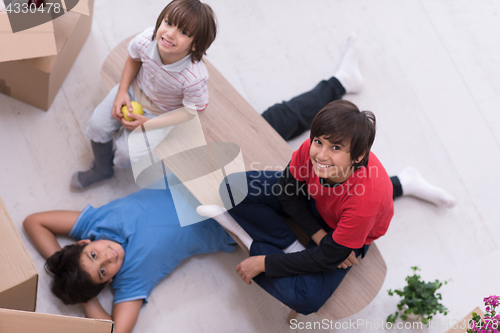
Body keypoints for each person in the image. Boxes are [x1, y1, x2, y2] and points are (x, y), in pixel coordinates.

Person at [197, 100, 456, 315]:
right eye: (318, 141)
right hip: (317, 206)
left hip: (346, 230)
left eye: (335, 148)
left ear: (357, 156)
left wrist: (266, 263)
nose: (321, 154)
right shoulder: (311, 152)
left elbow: (327, 257)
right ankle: (290, 247)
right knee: (231, 188)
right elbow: (287, 194)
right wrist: (319, 237)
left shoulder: (364, 203)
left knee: (306, 300)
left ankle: (250, 240)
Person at [24, 176, 235, 333]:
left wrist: (61, 262)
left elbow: (34, 222)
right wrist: (86, 297)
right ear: (108, 282)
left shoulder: (95, 224)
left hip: (193, 173)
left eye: (93, 255)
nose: (109, 256)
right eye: (103, 271)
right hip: (233, 217)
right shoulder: (131, 279)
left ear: (84, 242)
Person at [71, 0, 217, 188]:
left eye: (183, 32)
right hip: (134, 90)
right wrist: (123, 91)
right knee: (97, 125)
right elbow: (133, 58)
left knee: (125, 153)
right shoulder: (146, 39)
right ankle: (102, 168)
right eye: (168, 23)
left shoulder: (194, 78)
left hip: (161, 113)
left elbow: (192, 111)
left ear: (195, 44)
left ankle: (111, 161)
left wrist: (149, 124)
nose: (170, 34)